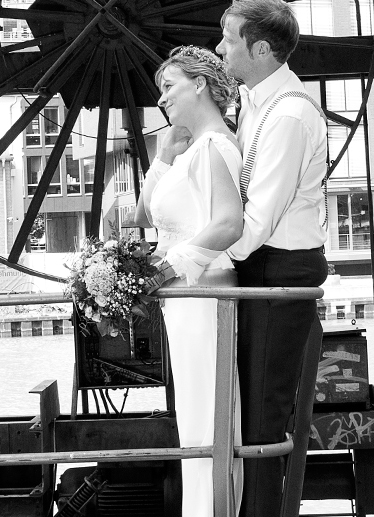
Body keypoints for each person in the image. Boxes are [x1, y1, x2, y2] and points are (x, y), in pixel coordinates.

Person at [217, 0, 329, 517]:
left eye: (228, 38)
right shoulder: (259, 106)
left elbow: (258, 218)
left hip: (278, 266)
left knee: (263, 413)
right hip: (263, 263)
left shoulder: (287, 117)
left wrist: (196, 257)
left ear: (260, 49)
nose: (220, 48)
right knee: (251, 409)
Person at [136, 46, 247, 517]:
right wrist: (162, 156)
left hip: (203, 296)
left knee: (207, 416)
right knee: (193, 417)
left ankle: (214, 509)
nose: (161, 99)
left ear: (199, 85)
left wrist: (167, 267)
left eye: (168, 87)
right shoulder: (189, 152)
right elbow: (144, 215)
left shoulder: (216, 146)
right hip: (183, 299)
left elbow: (228, 224)